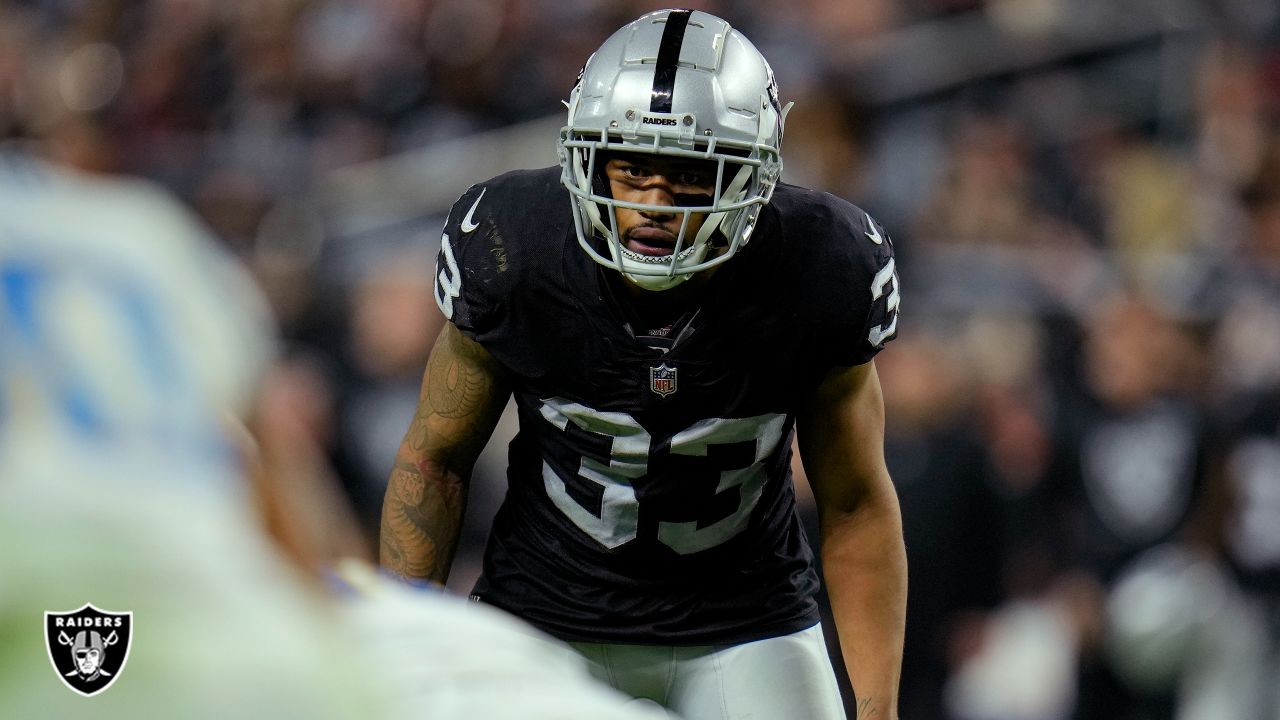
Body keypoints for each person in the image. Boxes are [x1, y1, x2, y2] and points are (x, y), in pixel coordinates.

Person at [380, 8, 907, 720]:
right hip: (546, 616)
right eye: (631, 167)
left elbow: (853, 500)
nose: (654, 203)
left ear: (752, 176)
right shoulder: (514, 252)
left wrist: (877, 711)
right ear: (586, 158)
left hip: (748, 625)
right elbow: (435, 460)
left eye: (690, 173)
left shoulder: (822, 268)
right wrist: (404, 645)